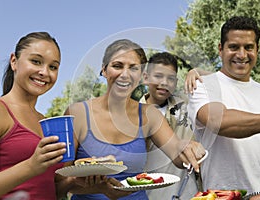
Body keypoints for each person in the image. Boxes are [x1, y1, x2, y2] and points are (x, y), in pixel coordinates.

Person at [64, 39, 206, 200]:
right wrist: (96, 187)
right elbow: (59, 182)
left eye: (133, 68)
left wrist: (187, 147)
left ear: (141, 75)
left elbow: (176, 151)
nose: (125, 74)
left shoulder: (149, 115)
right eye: (117, 66)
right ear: (104, 70)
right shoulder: (77, 113)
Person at [0, 32, 126, 200]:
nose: (44, 72)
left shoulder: (44, 121)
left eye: (53, 67)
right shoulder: (0, 111)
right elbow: (32, 170)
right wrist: (31, 166)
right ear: (14, 61)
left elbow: (50, 187)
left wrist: (87, 183)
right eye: (36, 61)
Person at [185, 16, 260, 195]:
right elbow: (219, 121)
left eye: (249, 47)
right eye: (234, 47)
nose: (242, 55)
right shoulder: (203, 85)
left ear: (257, 50)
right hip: (225, 196)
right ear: (221, 49)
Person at [140, 52, 200, 199]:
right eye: (158, 76)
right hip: (150, 194)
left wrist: (198, 72)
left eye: (171, 78)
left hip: (188, 193)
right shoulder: (133, 114)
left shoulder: (186, 107)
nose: (164, 82)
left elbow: (223, 82)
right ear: (145, 77)